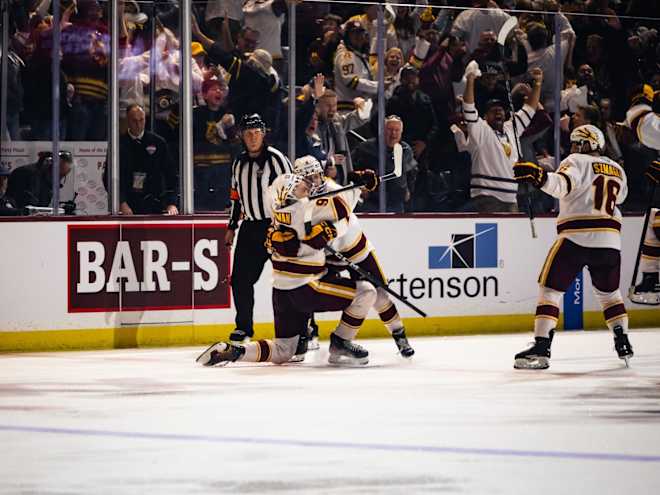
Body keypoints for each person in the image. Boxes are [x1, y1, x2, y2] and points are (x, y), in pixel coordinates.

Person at [197, 173, 376, 366]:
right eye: (298, 186)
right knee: (366, 292)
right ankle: (341, 342)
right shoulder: (307, 210)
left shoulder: (279, 214)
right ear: (288, 193)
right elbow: (344, 213)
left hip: (282, 292)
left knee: (283, 350)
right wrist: (357, 187)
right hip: (308, 288)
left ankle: (236, 351)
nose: (305, 186)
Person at [512, 124, 633, 369]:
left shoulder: (576, 160)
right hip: (610, 240)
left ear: (586, 144)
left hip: (577, 237)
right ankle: (622, 340)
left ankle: (542, 345)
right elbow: (620, 198)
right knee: (610, 294)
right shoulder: (618, 169)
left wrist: (539, 176)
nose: (574, 146)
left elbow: (562, 185)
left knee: (550, 289)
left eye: (578, 142)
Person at [293, 155, 415, 358]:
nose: (313, 181)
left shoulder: (333, 191)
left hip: (354, 248)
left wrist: (362, 180)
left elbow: (346, 210)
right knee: (307, 290)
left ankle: (399, 334)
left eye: (315, 175)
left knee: (379, 294)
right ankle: (303, 335)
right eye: (307, 178)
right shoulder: (297, 201)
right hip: (324, 256)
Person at [226, 114, 292, 343]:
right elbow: (236, 197)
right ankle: (244, 327)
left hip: (277, 227)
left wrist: (291, 226)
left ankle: (306, 328)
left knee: (291, 279)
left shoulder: (277, 159)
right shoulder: (238, 163)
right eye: (248, 134)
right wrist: (232, 227)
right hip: (250, 227)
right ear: (242, 137)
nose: (252, 138)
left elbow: (292, 192)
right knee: (239, 280)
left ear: (263, 134)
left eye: (256, 133)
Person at [462, 64, 543, 212]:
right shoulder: (480, 129)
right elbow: (468, 107)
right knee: (489, 235)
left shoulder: (510, 128)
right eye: (493, 111)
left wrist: (538, 83)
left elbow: (530, 108)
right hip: (487, 196)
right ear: (485, 117)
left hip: (511, 198)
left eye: (500, 109)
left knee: (511, 236)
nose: (498, 111)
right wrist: (470, 79)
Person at [112, 104, 178, 215]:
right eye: (134, 121)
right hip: (128, 205)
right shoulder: (118, 144)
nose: (138, 125)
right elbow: (109, 178)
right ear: (127, 121)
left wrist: (171, 203)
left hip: (155, 203)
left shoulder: (158, 143)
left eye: (141, 120)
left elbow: (171, 175)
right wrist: (121, 202)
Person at [352, 115, 418, 213]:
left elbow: (412, 172)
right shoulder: (365, 148)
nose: (393, 134)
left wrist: (408, 190)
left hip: (397, 204)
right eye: (390, 129)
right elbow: (351, 170)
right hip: (371, 203)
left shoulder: (406, 150)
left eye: (397, 130)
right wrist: (359, 188)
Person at [192, 78, 239, 211]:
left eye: (220, 89)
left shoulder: (228, 115)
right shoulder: (196, 114)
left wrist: (230, 128)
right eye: (213, 89)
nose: (218, 91)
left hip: (222, 171)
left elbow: (235, 144)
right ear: (205, 94)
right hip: (201, 169)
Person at [4, 150, 74, 211]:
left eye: (63, 175)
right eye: (59, 174)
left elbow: (41, 206)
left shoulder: (46, 179)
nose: (59, 179)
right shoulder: (27, 174)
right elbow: (26, 206)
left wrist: (61, 209)